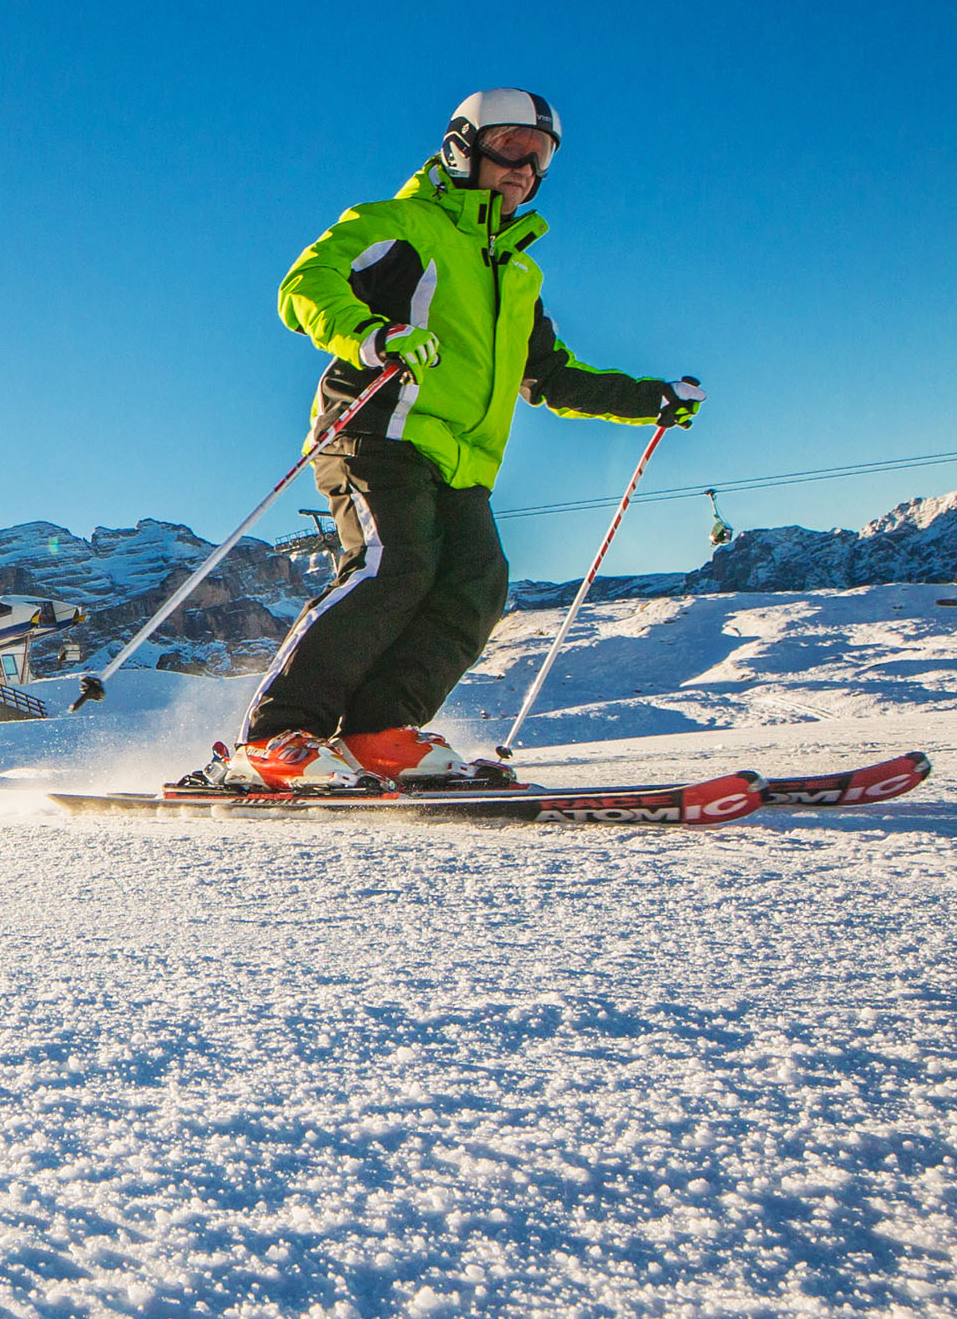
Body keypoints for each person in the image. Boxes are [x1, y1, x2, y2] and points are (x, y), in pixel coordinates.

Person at [194, 88, 702, 792]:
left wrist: (650, 400)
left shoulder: (517, 272)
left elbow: (550, 377)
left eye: (540, 156)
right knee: (393, 564)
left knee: (475, 584)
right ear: (461, 147)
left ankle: (378, 733)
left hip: (461, 461)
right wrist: (371, 335)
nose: (524, 168)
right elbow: (306, 284)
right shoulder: (403, 224)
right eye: (510, 147)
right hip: (376, 429)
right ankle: (274, 738)